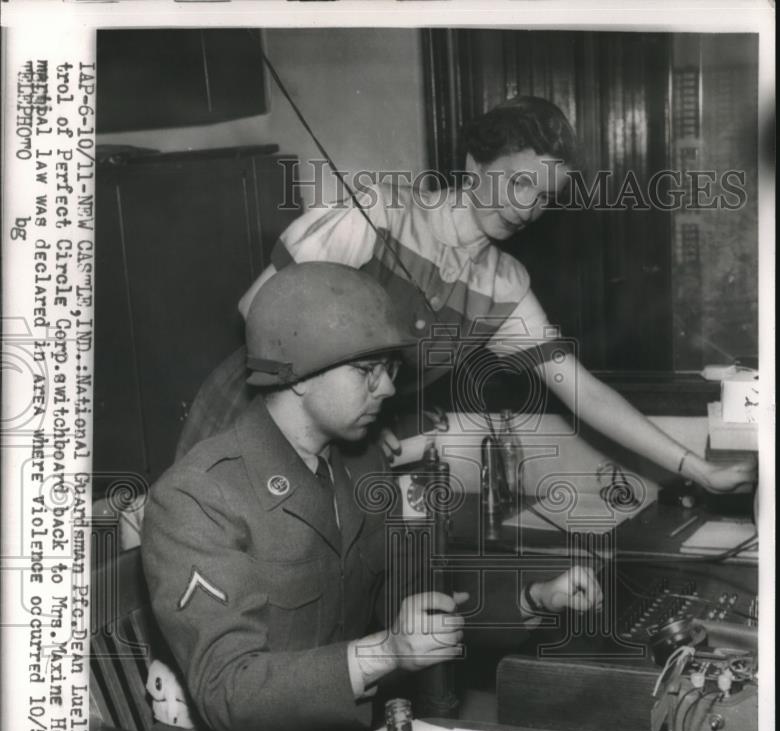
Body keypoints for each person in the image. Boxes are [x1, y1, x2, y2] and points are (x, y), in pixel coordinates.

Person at [143, 263, 602, 731]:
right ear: (299, 377)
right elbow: (227, 693)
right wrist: (386, 652)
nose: (386, 388)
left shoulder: (357, 464)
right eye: (367, 371)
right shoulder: (198, 496)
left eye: (387, 369)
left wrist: (535, 595)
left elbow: (417, 596)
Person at [176, 97, 754, 495]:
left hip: (338, 448)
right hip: (248, 419)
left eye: (545, 197)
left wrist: (696, 468)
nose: (529, 208)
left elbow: (582, 392)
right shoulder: (377, 211)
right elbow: (256, 310)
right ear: (475, 164)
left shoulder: (503, 286)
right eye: (520, 182)